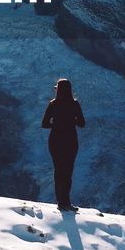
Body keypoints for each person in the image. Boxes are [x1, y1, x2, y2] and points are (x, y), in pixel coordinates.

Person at [41, 77, 86, 212]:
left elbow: (44, 124)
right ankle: (67, 202)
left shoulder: (53, 104)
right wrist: (71, 121)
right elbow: (82, 123)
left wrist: (57, 124)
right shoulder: (75, 104)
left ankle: (61, 203)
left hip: (55, 140)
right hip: (71, 141)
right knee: (68, 172)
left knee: (58, 171)